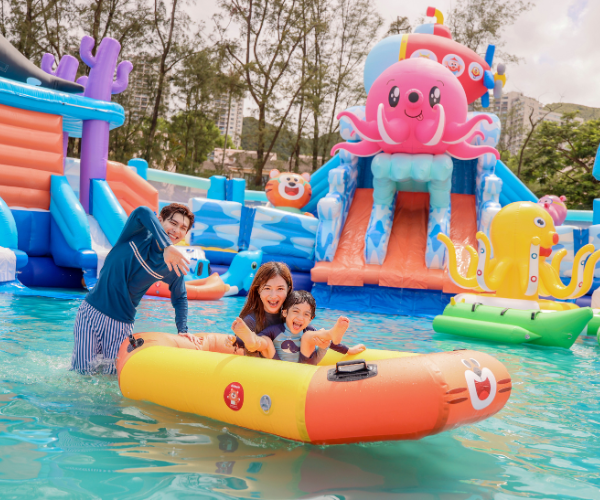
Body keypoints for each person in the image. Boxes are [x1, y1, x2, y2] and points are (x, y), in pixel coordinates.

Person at [71, 203, 200, 374]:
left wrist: (183, 330)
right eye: (173, 223)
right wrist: (167, 246)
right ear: (159, 220)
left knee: (111, 378)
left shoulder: (171, 265)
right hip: (90, 313)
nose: (176, 230)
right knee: (82, 374)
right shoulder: (137, 233)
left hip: (121, 326)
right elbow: (142, 211)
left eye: (183, 228)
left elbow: (180, 297)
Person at [232, 290, 363, 364]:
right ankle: (251, 340)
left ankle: (331, 333)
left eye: (306, 314)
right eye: (296, 311)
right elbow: (261, 339)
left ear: (311, 318)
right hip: (278, 366)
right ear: (285, 313)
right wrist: (237, 341)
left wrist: (348, 350)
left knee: (308, 336)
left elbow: (331, 343)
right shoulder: (275, 330)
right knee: (265, 341)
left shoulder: (309, 331)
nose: (300, 318)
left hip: (304, 366)